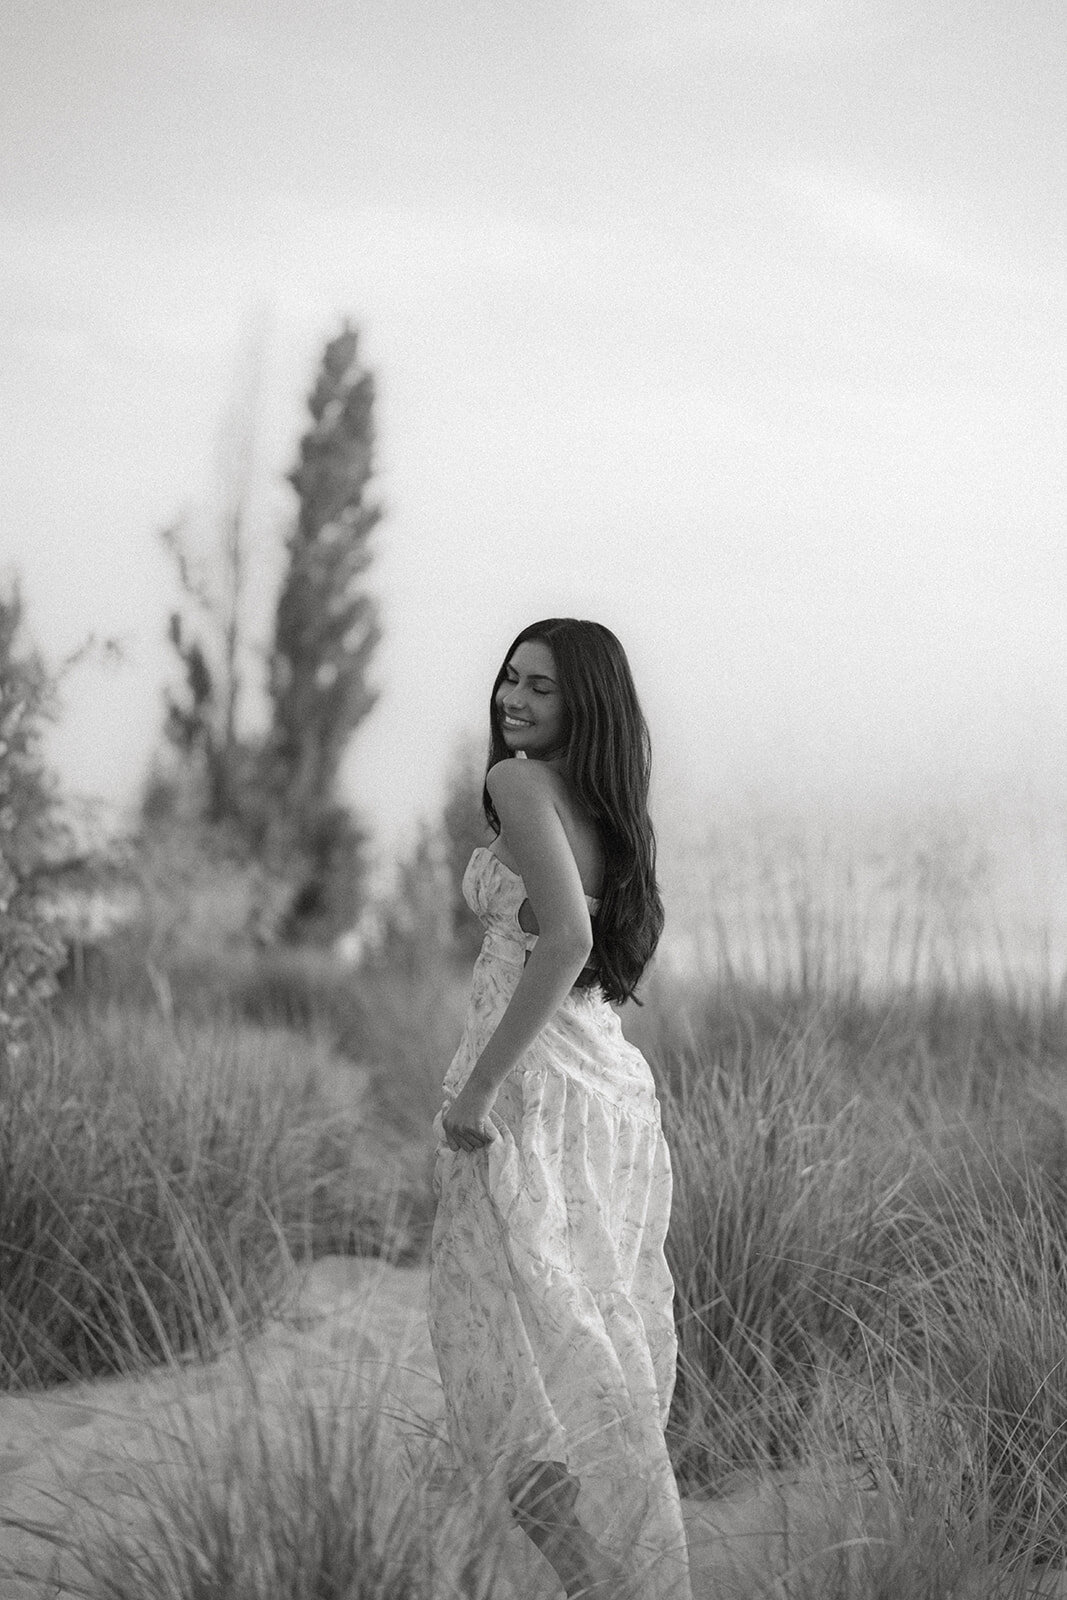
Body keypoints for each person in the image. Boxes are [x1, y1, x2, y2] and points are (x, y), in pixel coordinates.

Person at [429, 618, 692, 1600]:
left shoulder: (518, 784)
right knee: (583, 1338)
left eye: (540, 687)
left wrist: (481, 1086)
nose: (513, 700)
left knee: (497, 1359)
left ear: (583, 701)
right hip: (606, 1089)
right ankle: (607, 1570)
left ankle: (590, 1580)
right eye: (509, 678)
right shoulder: (604, 803)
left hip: (533, 1091)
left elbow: (566, 940)